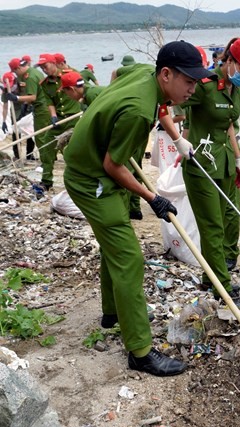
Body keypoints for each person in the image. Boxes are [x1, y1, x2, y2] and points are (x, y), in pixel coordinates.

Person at [63, 40, 214, 376]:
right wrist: (153, 198)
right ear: (166, 74)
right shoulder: (136, 111)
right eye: (188, 81)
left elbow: (120, 73)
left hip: (92, 166)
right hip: (92, 180)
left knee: (114, 245)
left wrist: (174, 134)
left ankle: (112, 312)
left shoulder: (145, 73)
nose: (193, 89)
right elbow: (114, 166)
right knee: (129, 256)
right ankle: (141, 352)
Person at [173, 37, 240, 299]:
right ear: (230, 61)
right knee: (212, 226)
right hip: (201, 164)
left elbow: (229, 124)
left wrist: (238, 159)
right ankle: (221, 285)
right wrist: (179, 140)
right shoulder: (203, 85)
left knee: (227, 222)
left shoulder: (239, 86)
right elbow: (169, 107)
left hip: (224, 162)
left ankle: (209, 275)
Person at [36, 53, 82, 190]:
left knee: (72, 150)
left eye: (46, 66)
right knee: (46, 147)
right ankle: (46, 181)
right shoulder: (45, 84)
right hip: (59, 120)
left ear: (54, 63)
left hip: (74, 118)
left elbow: (81, 91)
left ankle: (78, 180)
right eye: (42, 68)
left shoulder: (70, 75)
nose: (44, 69)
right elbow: (49, 101)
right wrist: (53, 116)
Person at [7, 57, 50, 171]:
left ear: (19, 67)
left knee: (40, 136)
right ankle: (49, 157)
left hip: (42, 108)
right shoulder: (34, 72)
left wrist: (16, 98)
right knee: (45, 134)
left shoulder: (30, 77)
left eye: (15, 71)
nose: (16, 74)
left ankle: (46, 161)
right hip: (43, 106)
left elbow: (32, 97)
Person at [2, 69, 36, 161]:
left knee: (30, 132)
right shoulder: (6, 90)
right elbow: (5, 107)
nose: (10, 87)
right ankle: (17, 155)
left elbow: (31, 96)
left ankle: (29, 154)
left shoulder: (23, 84)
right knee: (15, 132)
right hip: (15, 111)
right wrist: (4, 121)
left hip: (27, 109)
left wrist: (23, 103)